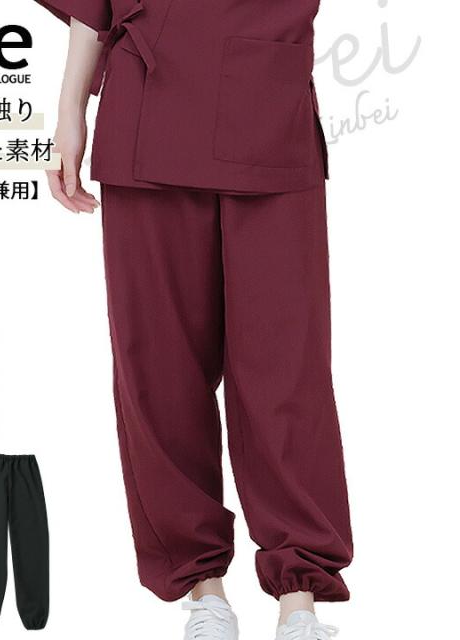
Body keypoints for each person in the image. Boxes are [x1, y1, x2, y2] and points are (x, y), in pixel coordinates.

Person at [34, 2, 353, 638]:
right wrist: (69, 111)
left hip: (270, 106)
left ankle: (299, 598)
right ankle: (205, 589)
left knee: (286, 368)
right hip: (148, 107)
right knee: (160, 366)